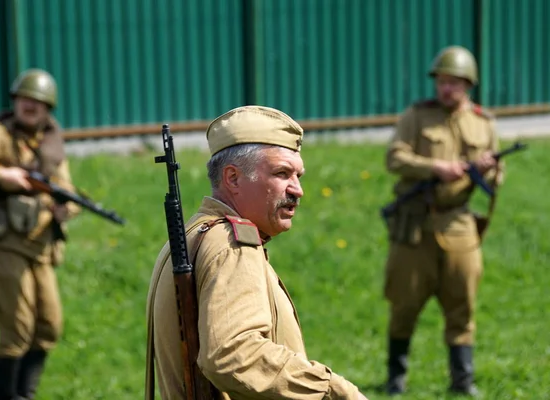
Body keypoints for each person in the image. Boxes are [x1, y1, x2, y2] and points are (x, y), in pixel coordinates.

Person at [146, 105, 369, 400]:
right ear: (233, 178)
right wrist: (331, 391)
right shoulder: (232, 245)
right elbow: (232, 353)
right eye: (281, 173)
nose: (297, 189)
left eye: (298, 175)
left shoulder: (195, 234)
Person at [0, 68, 79, 399]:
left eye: (37, 101)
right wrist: (0, 175)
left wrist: (66, 207)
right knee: (17, 329)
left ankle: (24, 394)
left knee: (49, 326)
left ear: (48, 107)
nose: (29, 105)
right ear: (15, 101)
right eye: (24, 98)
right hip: (2, 242)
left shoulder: (50, 141)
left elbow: (66, 188)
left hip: (39, 245)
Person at [382, 45, 503, 396]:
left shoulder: (484, 122)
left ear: (468, 84)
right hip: (415, 226)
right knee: (403, 303)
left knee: (462, 303)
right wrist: (435, 167)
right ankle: (395, 378)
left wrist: (490, 171)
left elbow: (498, 178)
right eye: (442, 82)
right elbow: (395, 157)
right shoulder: (416, 116)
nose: (446, 89)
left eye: (454, 83)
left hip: (459, 224)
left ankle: (462, 381)